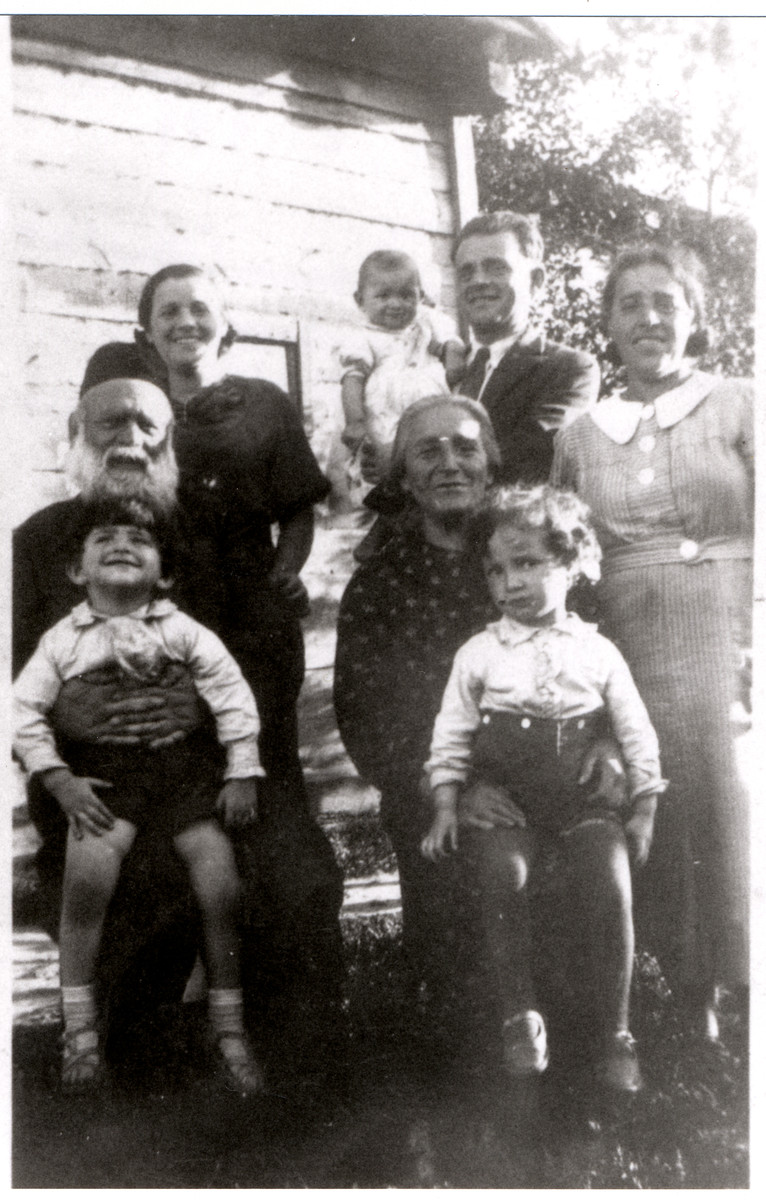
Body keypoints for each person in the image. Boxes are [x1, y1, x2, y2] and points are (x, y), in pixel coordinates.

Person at [14, 376, 345, 1087]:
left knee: (278, 879)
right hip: (89, 778)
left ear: (172, 441)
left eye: (148, 424)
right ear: (77, 431)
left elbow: (247, 664)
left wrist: (200, 715)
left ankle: (272, 1048)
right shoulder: (38, 541)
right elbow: (15, 675)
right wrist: (64, 720)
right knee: (112, 885)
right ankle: (112, 1045)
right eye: (111, 423)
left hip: (201, 773)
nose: (130, 438)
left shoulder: (203, 531)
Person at [334, 396, 623, 1050]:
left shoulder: (534, 557)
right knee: (461, 994)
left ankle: (586, 1041)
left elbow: (602, 658)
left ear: (490, 465)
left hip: (553, 772)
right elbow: (363, 710)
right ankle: (481, 1052)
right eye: (427, 451)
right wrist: (454, 791)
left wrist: (606, 739)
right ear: (403, 477)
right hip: (439, 789)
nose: (449, 464)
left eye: (465, 447)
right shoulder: (381, 581)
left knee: (578, 891)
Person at [552, 242, 752, 1041]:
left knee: (733, 794)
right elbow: (569, 557)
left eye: (665, 300)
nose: (649, 317)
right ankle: (694, 986)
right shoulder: (578, 435)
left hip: (734, 620)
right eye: (630, 303)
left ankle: (749, 979)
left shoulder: (741, 401)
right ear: (608, 324)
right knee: (656, 792)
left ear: (693, 315)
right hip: (628, 633)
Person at [14, 498, 266, 1095]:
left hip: (182, 776)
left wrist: (241, 771)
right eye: (105, 537)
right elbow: (22, 712)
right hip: (102, 781)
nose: (123, 543)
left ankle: (228, 1029)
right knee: (85, 887)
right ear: (77, 571)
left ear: (165, 573)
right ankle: (80, 1034)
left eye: (140, 539)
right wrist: (58, 779)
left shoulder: (183, 631)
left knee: (219, 883)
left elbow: (234, 697)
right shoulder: (62, 640)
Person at [422, 485, 664, 1091]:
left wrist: (644, 810)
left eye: (527, 563)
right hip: (512, 806)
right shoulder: (479, 652)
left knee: (609, 882)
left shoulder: (599, 651)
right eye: (496, 570)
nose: (510, 582)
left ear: (574, 563)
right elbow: (449, 734)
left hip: (584, 805)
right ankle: (518, 1016)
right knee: (505, 874)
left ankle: (616, 1032)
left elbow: (636, 732)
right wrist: (446, 805)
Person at [81, 263, 330, 801]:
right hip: (165, 604)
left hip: (253, 609)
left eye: (199, 308)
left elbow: (297, 508)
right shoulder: (136, 412)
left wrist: (284, 573)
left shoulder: (265, 403)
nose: (185, 321)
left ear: (226, 324)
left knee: (263, 758)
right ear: (146, 335)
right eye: (168, 311)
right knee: (178, 760)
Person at [453, 211, 600, 483]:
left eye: (497, 268)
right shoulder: (438, 365)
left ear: (535, 282)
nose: (478, 281)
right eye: (467, 272)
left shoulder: (568, 369)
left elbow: (528, 462)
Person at [338, 249, 466, 498]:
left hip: (429, 402)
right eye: (383, 296)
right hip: (386, 413)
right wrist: (355, 421)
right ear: (360, 299)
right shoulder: (362, 338)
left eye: (407, 295)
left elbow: (452, 341)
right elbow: (352, 380)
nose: (396, 304)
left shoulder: (427, 323)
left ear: (421, 296)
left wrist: (453, 358)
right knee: (384, 472)